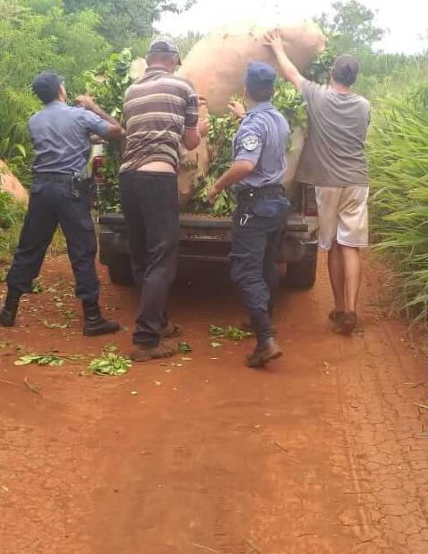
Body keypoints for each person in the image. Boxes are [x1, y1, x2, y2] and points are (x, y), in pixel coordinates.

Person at [0, 70, 124, 335]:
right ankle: (92, 318)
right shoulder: (80, 115)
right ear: (61, 90)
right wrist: (93, 107)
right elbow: (117, 132)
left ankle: (9, 308)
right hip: (71, 191)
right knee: (82, 250)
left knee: (30, 247)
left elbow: (60, 141)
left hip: (42, 189)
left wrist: (87, 138)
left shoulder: (34, 120)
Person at [266, 31, 370, 335]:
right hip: (357, 182)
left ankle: (339, 308)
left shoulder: (318, 96)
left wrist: (277, 48)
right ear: (353, 79)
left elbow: (291, 74)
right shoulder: (364, 105)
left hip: (327, 182)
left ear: (330, 73)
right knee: (352, 247)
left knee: (333, 246)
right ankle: (351, 309)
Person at [120, 37, 208, 361]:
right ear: (172, 60)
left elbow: (131, 132)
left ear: (149, 60)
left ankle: (157, 323)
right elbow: (189, 141)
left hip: (128, 176)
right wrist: (203, 128)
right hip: (157, 177)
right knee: (162, 258)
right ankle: (146, 340)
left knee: (142, 255)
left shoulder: (130, 92)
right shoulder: (184, 88)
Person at [207, 62, 290, 368]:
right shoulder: (277, 119)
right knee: (268, 264)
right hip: (277, 203)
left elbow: (245, 165)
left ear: (245, 90)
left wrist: (216, 186)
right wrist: (244, 117)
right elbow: (261, 136)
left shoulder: (253, 126)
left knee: (245, 271)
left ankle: (265, 339)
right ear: (273, 90)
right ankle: (263, 320)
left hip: (255, 205)